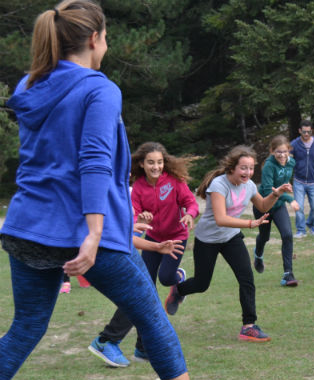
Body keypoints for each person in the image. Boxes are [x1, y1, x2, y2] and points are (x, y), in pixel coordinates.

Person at [1, 0, 230, 380]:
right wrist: (94, 231)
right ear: (94, 39)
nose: (106, 44)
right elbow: (93, 160)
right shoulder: (99, 88)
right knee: (150, 314)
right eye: (105, 37)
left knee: (25, 328)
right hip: (85, 231)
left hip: (26, 225)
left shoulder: (30, 85)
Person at [164, 145, 292, 342]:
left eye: (250, 168)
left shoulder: (249, 186)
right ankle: (178, 290)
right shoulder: (219, 185)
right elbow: (220, 218)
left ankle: (249, 326)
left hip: (231, 237)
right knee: (201, 283)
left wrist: (276, 194)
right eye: (243, 168)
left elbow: (263, 205)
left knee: (246, 278)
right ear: (232, 167)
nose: (247, 172)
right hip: (208, 239)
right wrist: (250, 223)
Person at [88, 142, 199, 367]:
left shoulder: (173, 182)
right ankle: (109, 340)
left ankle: (141, 346)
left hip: (172, 239)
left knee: (154, 286)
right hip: (149, 240)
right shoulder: (134, 187)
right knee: (141, 291)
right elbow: (132, 217)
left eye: (159, 162)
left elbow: (190, 202)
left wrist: (189, 214)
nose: (156, 166)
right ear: (142, 163)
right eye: (151, 162)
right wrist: (140, 219)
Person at [253, 135, 300, 287]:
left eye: (284, 151)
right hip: (264, 205)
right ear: (272, 151)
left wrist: (286, 188)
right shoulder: (269, 165)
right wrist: (289, 198)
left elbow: (284, 182)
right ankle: (258, 254)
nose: (282, 155)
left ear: (289, 151)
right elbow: (268, 190)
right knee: (264, 236)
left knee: (287, 234)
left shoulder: (291, 162)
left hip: (278, 205)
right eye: (278, 152)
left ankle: (288, 274)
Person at [291, 120, 314, 237]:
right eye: (304, 132)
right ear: (299, 131)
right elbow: (287, 161)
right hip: (298, 181)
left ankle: (311, 224)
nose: (306, 134)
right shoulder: (294, 144)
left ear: (311, 131)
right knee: (299, 207)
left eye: (308, 132)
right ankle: (301, 230)